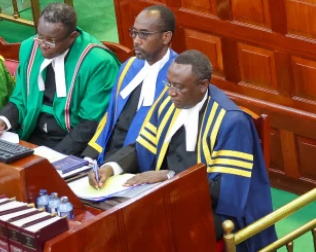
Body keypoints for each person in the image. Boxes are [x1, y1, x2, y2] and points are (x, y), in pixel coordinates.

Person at [89, 51, 276, 251]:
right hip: (169, 196)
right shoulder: (169, 101)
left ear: (203, 85)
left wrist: (169, 176)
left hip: (213, 208)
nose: (170, 92)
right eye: (168, 84)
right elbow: (143, 147)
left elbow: (225, 191)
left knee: (154, 237)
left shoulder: (231, 122)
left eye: (178, 87)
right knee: (116, 223)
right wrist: (110, 167)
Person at [0, 3, 119, 154]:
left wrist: (53, 159)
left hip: (72, 141)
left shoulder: (99, 63)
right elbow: (20, 99)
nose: (43, 45)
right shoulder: (30, 47)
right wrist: (3, 120)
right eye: (40, 36)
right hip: (31, 135)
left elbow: (90, 123)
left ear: (72, 37)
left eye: (51, 40)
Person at [83, 5, 178, 165]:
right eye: (134, 32)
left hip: (141, 164)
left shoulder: (178, 76)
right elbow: (110, 115)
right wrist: (89, 156)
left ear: (166, 37)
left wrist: (114, 166)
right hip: (108, 155)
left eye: (144, 34)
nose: (136, 41)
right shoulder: (129, 66)